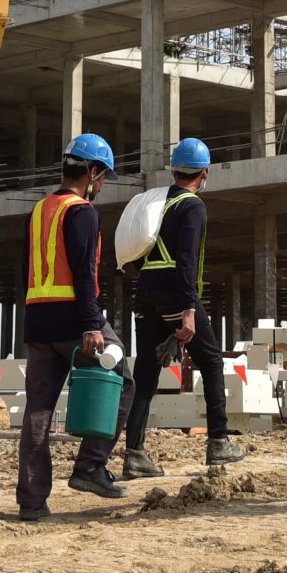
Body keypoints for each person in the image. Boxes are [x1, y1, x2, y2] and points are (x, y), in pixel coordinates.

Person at [14, 132, 128, 520]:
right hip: (74, 318)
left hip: (38, 320)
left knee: (38, 411)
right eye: (103, 176)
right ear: (92, 171)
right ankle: (90, 466)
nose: (102, 184)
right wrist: (92, 324)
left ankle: (31, 502)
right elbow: (84, 273)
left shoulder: (40, 210)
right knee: (123, 379)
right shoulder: (82, 212)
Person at [121, 137, 241, 476]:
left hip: (144, 292)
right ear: (205, 173)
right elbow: (187, 259)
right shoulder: (193, 206)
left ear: (174, 170)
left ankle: (134, 454)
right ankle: (218, 441)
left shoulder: (155, 204)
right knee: (212, 362)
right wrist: (188, 309)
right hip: (176, 293)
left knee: (146, 371)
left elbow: (135, 253)